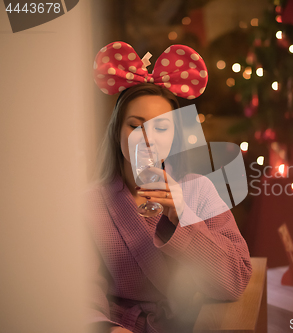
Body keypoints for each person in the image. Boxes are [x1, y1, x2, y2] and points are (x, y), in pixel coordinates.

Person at [87, 42, 252, 333]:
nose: (148, 138)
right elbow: (78, 288)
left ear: (174, 135)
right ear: (116, 131)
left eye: (161, 128)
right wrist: (105, 327)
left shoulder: (199, 190)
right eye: (135, 126)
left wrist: (182, 218)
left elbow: (237, 279)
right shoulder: (90, 204)